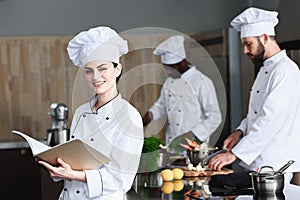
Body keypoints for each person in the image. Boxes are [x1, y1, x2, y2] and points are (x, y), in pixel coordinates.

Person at [38, 26, 144, 199]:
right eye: (89, 71)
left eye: (102, 68)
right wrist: (57, 166)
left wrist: (74, 175)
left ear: (117, 69)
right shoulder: (81, 112)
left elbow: (120, 180)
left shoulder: (129, 117)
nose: (95, 77)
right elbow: (75, 160)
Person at [208, 7, 300, 185]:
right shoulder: (266, 69)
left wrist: (233, 154)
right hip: (257, 161)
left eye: (248, 44)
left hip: (274, 165)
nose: (244, 50)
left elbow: (270, 119)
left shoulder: (285, 70)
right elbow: (257, 113)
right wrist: (240, 131)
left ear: (264, 38)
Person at [143, 35, 222, 146]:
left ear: (182, 62)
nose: (168, 72)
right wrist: (150, 115)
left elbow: (215, 117)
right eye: (165, 67)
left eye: (171, 67)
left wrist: (191, 135)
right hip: (172, 143)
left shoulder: (202, 82)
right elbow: (161, 106)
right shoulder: (169, 82)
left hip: (194, 146)